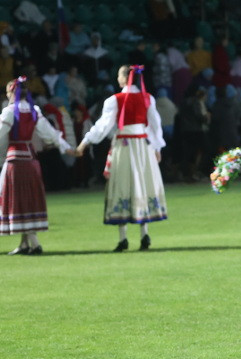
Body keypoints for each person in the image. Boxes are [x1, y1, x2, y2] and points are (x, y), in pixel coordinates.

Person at [75, 65, 167, 252]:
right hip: (142, 146)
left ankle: (123, 238)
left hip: (124, 145)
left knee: (122, 186)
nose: (117, 79)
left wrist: (85, 141)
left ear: (125, 78)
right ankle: (144, 234)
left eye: (119, 75)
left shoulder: (115, 100)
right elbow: (155, 125)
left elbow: (103, 126)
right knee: (142, 184)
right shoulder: (147, 98)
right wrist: (156, 147)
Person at [1, 76, 72, 254]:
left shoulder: (10, 111)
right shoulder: (34, 111)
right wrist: (66, 147)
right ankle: (24, 244)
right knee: (28, 199)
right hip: (31, 160)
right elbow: (50, 134)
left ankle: (34, 242)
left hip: (16, 161)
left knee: (19, 200)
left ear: (11, 93)